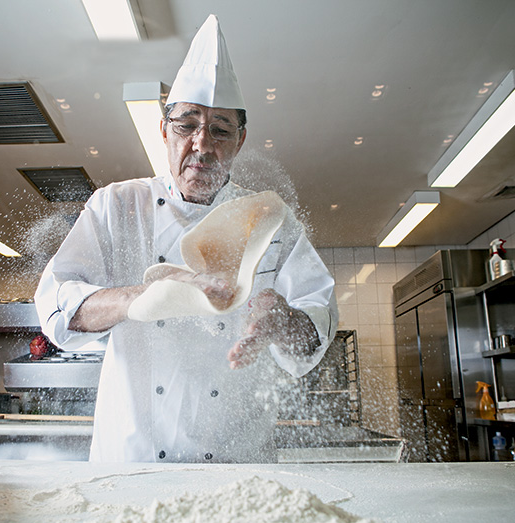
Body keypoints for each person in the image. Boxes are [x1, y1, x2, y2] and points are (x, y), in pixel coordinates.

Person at [35, 14, 337, 463]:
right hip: (132, 459)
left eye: (219, 130)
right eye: (186, 125)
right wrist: (151, 296)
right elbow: (59, 309)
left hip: (238, 464)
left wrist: (283, 320)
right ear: (163, 130)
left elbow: (318, 323)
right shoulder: (116, 207)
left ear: (240, 140)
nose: (201, 144)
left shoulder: (271, 218)